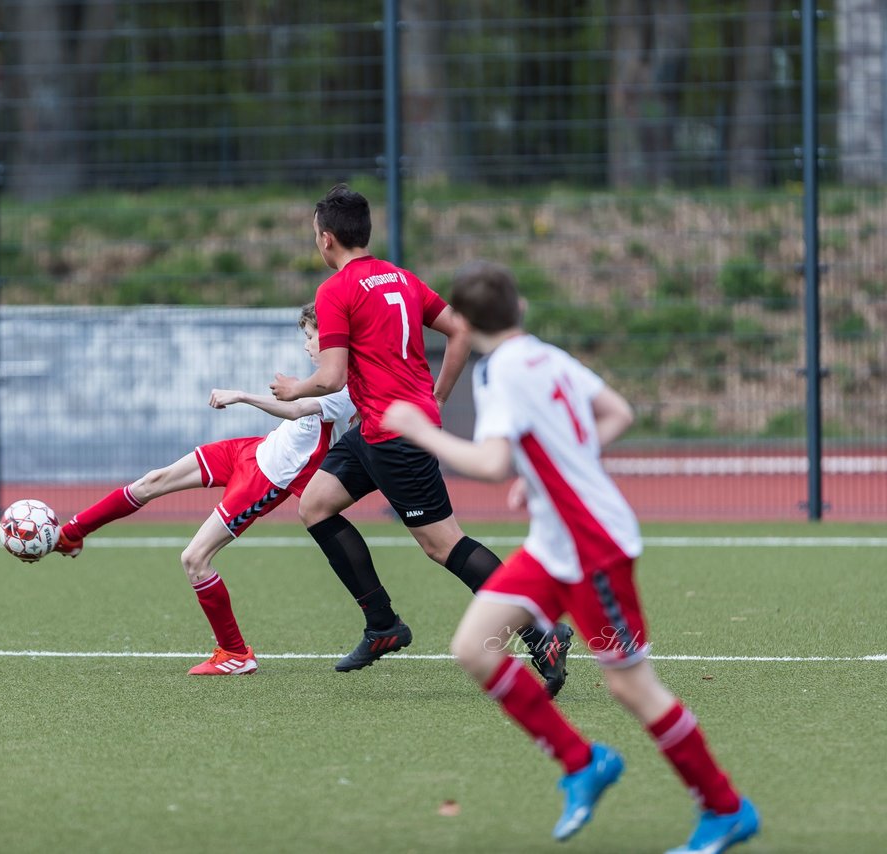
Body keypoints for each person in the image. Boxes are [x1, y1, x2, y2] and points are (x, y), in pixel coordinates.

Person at [382, 260, 760, 852]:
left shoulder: (500, 372)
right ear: (520, 308)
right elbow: (618, 413)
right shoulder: (545, 354)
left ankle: (725, 808)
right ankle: (582, 763)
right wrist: (551, 468)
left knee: (633, 689)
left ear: (464, 322)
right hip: (554, 544)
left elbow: (490, 463)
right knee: (473, 648)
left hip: (594, 552)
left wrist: (417, 427)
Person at [271, 184, 573, 688]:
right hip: (375, 428)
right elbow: (459, 329)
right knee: (316, 504)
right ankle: (383, 625)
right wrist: (436, 396)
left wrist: (291, 388)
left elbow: (330, 377)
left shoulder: (336, 289)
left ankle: (541, 632)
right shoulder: (400, 277)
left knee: (442, 544)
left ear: (326, 239)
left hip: (395, 437)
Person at [53, 303, 357, 676]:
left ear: (332, 339)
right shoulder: (327, 379)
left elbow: (297, 411)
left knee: (194, 559)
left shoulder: (344, 388)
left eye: (310, 337)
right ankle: (71, 534)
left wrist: (242, 395)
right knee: (154, 480)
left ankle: (235, 654)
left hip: (267, 479)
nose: (307, 345)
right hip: (252, 450)